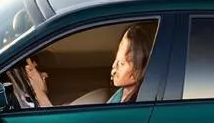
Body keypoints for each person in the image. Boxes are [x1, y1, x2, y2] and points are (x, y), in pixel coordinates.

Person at [23, 24, 152, 108]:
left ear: (139, 70)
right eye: (116, 59)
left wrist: (39, 93)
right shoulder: (122, 94)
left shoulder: (130, 108)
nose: (113, 67)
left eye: (122, 63)